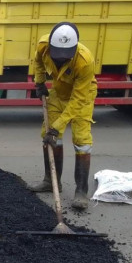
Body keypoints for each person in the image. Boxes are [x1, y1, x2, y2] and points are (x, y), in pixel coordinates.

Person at [28, 22, 97, 210]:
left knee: (82, 140)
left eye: (64, 58)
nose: (59, 61)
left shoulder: (85, 62)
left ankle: (81, 191)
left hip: (81, 97)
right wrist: (39, 82)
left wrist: (57, 126)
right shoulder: (43, 46)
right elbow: (39, 62)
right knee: (48, 136)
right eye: (57, 57)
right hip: (58, 93)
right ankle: (51, 182)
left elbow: (77, 101)